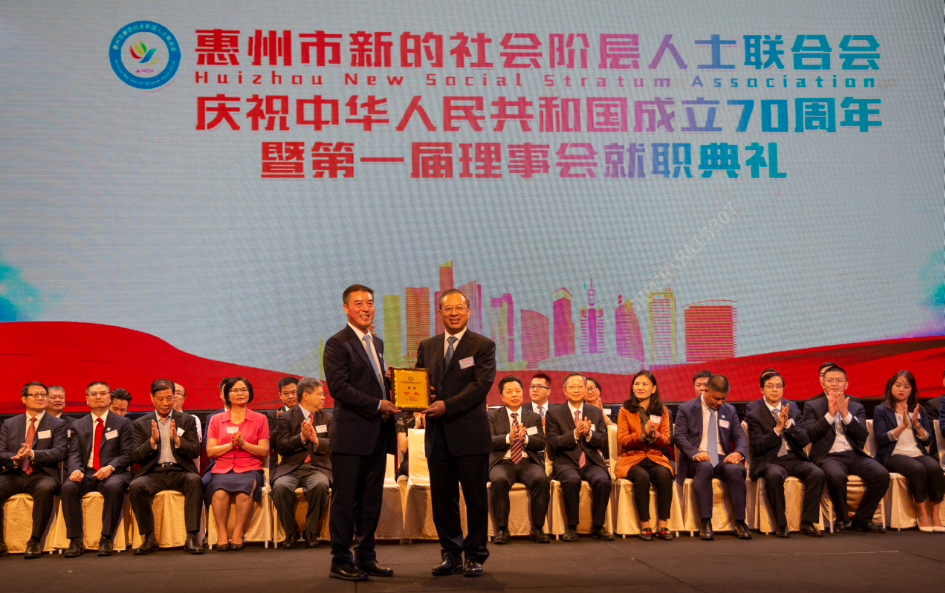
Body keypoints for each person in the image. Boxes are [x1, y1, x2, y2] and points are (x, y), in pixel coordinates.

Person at [416, 288, 497, 577]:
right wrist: (408, 390)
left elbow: (480, 386)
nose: (453, 313)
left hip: (470, 436)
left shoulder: (483, 345)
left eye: (459, 308)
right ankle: (451, 555)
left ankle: (475, 555)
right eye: (447, 308)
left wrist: (446, 406)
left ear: (469, 311)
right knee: (443, 501)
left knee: (475, 500)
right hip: (437, 436)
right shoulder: (427, 345)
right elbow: (420, 381)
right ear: (439, 312)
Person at [323, 284, 399, 581]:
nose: (366, 308)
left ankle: (366, 556)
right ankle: (340, 559)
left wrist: (389, 382)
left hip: (377, 434)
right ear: (346, 308)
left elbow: (368, 382)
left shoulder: (376, 342)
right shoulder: (337, 343)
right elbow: (339, 388)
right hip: (351, 437)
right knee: (345, 501)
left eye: (370, 303)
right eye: (359, 303)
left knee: (370, 501)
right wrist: (378, 403)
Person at [802, 365, 888, 532]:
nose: (834, 384)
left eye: (839, 380)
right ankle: (842, 519)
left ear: (846, 384)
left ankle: (862, 518)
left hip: (854, 454)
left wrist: (845, 414)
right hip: (828, 456)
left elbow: (863, 435)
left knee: (882, 475)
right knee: (836, 476)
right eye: (830, 380)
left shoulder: (855, 405)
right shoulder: (812, 405)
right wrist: (830, 415)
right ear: (823, 383)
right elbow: (810, 435)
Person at [129, 378, 204, 555]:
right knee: (136, 486)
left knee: (195, 481)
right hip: (154, 473)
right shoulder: (140, 423)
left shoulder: (187, 420)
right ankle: (149, 538)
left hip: (180, 471)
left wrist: (177, 440)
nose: (165, 403)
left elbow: (195, 451)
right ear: (152, 398)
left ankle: (191, 537)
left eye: (169, 398)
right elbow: (136, 456)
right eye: (161, 399)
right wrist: (151, 442)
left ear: (174, 397)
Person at [746, 371, 825, 537]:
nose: (775, 390)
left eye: (778, 386)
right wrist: (777, 429)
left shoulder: (794, 411)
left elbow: (804, 441)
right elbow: (758, 446)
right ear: (762, 390)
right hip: (771, 460)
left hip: (794, 458)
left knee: (817, 473)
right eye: (770, 386)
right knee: (774, 476)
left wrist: (789, 425)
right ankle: (781, 524)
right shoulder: (754, 415)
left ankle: (808, 522)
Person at [61, 381, 134, 557]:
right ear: (87, 399)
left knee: (113, 487)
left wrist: (111, 467)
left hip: (114, 472)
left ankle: (106, 538)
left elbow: (128, 453)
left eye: (102, 393)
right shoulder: (78, 425)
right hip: (87, 473)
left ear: (109, 397)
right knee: (68, 487)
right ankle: (75, 540)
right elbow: (74, 453)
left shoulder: (123, 422)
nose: (98, 397)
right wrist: (75, 469)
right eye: (93, 394)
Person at [674, 374, 751, 540]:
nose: (720, 402)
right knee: (705, 466)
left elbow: (740, 436)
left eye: (724, 398)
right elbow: (679, 436)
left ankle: (740, 522)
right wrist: (695, 453)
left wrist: (738, 453)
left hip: (721, 458)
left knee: (734, 470)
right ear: (706, 390)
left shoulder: (729, 410)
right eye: (717, 398)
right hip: (696, 459)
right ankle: (706, 522)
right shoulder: (686, 408)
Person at [0, 382, 68, 558]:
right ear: (24, 399)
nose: (40, 398)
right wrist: (15, 458)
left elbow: (60, 451)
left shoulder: (58, 424)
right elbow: (1, 451)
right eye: (35, 394)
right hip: (15, 472)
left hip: (42, 473)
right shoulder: (9, 423)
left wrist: (33, 454)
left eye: (43, 394)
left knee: (45, 489)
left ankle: (34, 541)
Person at [873, 370, 944, 532]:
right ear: (890, 387)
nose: (901, 389)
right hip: (893, 455)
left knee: (935, 468)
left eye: (906, 386)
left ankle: (935, 516)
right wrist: (903, 426)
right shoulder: (881, 410)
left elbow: (928, 440)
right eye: (898, 385)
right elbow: (881, 439)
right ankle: (922, 514)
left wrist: (916, 425)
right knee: (917, 469)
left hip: (917, 453)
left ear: (912, 390)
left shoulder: (920, 410)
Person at [546, 372, 613, 542]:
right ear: (564, 390)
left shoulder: (595, 412)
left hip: (591, 461)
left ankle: (598, 526)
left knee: (603, 480)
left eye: (580, 387)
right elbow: (553, 442)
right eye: (572, 387)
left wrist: (589, 434)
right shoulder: (554, 413)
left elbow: (603, 441)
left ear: (585, 389)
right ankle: (572, 526)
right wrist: (574, 434)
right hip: (566, 462)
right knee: (572, 480)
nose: (576, 390)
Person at [205, 377, 270, 551]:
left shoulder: (260, 419)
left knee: (243, 493)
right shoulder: (216, 419)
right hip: (223, 467)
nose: (239, 393)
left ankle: (238, 533)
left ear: (250, 393)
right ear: (227, 395)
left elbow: (264, 450)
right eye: (234, 390)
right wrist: (231, 445)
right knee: (219, 492)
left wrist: (243, 445)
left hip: (250, 467)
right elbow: (210, 451)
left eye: (243, 389)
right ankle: (222, 533)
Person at [488, 375, 550, 545]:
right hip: (502, 462)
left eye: (518, 391)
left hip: (527, 462)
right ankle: (502, 529)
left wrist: (526, 440)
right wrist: (508, 438)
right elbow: (488, 441)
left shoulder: (533, 417)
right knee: (499, 480)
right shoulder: (492, 415)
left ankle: (538, 528)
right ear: (501, 396)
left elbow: (541, 443)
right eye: (509, 391)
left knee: (541, 479)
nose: (514, 394)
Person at [271, 377, 332, 548]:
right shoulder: (285, 417)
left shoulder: (327, 418)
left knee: (320, 486)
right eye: (320, 394)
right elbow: (281, 447)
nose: (323, 398)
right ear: (306, 396)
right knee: (280, 487)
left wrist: (316, 440)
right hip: (290, 468)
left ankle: (310, 531)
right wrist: (302, 437)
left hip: (317, 467)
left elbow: (333, 445)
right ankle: (290, 532)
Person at [615, 370, 674, 541]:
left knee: (665, 475)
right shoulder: (625, 410)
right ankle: (645, 525)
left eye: (644, 384)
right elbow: (622, 440)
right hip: (632, 459)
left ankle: (663, 525)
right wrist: (641, 434)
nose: (639, 387)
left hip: (655, 457)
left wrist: (655, 434)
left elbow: (667, 439)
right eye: (636, 384)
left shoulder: (662, 411)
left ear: (653, 388)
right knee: (642, 477)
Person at [394, 411, 425, 479]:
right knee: (412, 466)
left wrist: (426, 426)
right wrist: (415, 428)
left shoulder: (434, 418)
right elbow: (403, 448)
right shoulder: (404, 419)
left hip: (429, 458)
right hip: (411, 459)